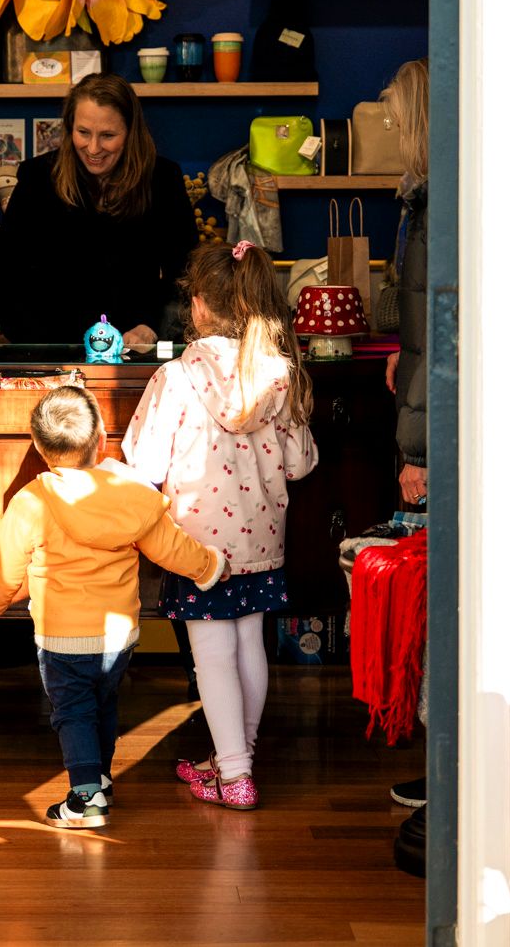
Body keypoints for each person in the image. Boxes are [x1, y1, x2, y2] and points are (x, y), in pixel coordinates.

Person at [0, 384, 228, 830]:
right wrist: (210, 566)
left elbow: (6, 567)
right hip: (118, 635)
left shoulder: (31, 501)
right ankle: (101, 777)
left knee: (73, 712)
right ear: (101, 440)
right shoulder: (128, 493)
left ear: (38, 447)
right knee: (104, 703)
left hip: (61, 637)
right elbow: (171, 547)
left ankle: (86, 797)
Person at [122, 240, 318, 811]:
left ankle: (234, 774)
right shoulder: (278, 375)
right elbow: (301, 463)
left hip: (198, 544)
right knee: (249, 644)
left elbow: (144, 463)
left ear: (199, 305)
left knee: (211, 654)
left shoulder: (175, 377)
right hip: (260, 538)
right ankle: (237, 758)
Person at [0, 72, 197, 346]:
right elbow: (5, 279)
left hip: (135, 350)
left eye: (108, 135)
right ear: (69, 127)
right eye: (83, 133)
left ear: (130, 133)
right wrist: (42, 347)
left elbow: (186, 274)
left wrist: (151, 326)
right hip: (51, 348)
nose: (94, 148)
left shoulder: (162, 179)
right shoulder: (38, 178)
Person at [379, 56, 431, 865]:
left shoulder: (434, 203)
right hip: (421, 394)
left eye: (394, 115)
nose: (388, 128)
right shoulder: (421, 198)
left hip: (433, 428)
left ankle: (445, 769)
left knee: (433, 604)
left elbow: (442, 332)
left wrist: (417, 452)